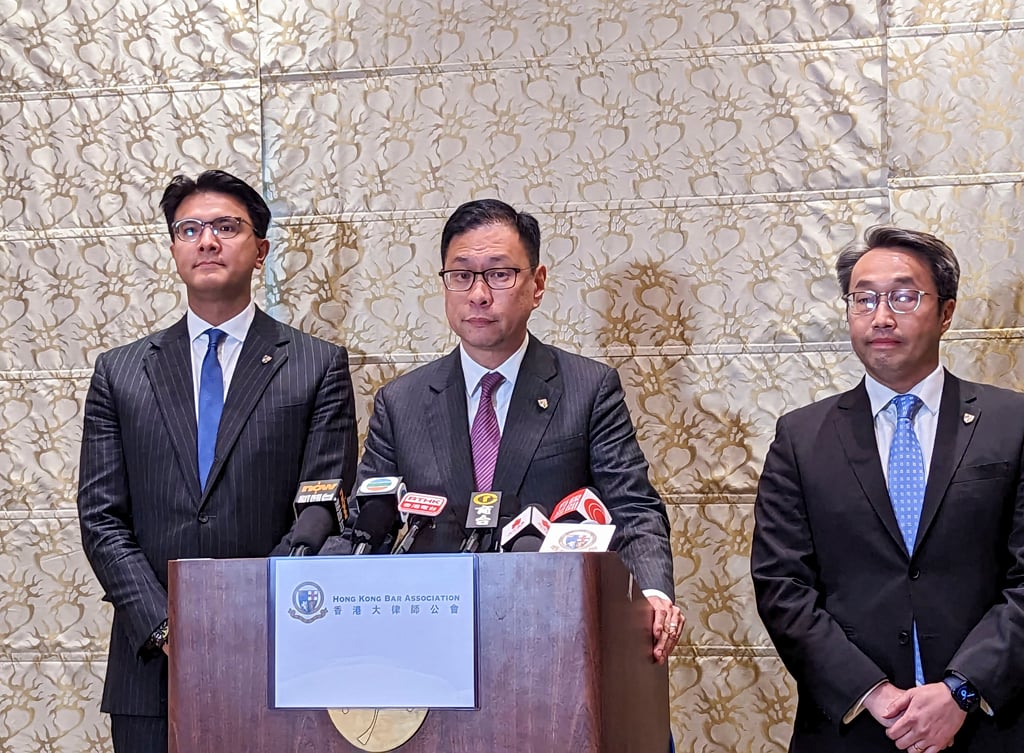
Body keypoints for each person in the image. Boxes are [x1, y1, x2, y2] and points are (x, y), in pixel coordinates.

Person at [324, 198, 682, 662]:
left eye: (498, 274)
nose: (478, 294)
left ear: (537, 285)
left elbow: (632, 510)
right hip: (431, 647)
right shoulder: (402, 402)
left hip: (552, 640)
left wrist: (652, 592)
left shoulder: (588, 389)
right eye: (461, 275)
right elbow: (365, 524)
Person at [76, 169, 358, 752]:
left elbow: (324, 510)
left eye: (226, 227)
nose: (207, 241)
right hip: (151, 673)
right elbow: (101, 517)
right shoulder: (121, 372)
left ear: (260, 250)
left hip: (279, 652)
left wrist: (247, 613)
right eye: (190, 229)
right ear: (174, 248)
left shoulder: (316, 366)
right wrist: (166, 625)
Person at [750, 226, 1024, 752]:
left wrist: (960, 690)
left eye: (903, 296)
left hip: (989, 724)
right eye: (864, 299)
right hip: (855, 727)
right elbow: (781, 585)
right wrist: (874, 693)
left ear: (945, 312)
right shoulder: (801, 436)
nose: (881, 316)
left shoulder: (1011, 424)